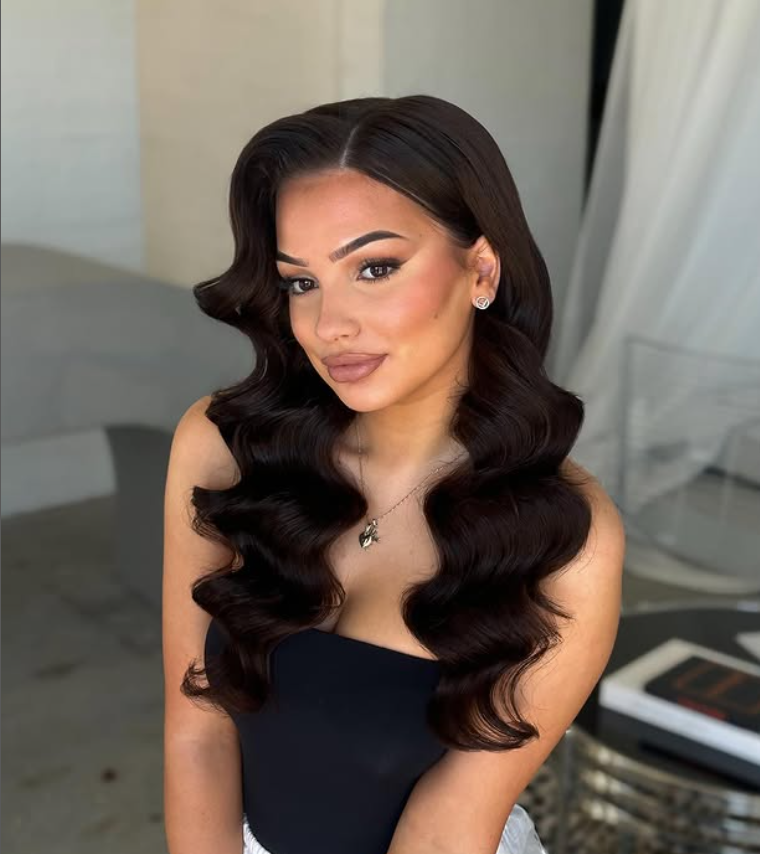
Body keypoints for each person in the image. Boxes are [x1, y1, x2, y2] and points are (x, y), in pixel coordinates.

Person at [162, 94, 625, 854]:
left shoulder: (561, 535)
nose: (328, 325)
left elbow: (447, 832)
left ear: (481, 269)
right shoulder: (224, 448)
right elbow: (195, 729)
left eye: (374, 267)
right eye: (301, 282)